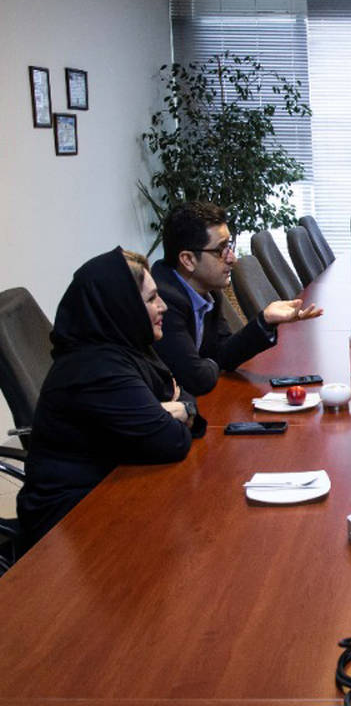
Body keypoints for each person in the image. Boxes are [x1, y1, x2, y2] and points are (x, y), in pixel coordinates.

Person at [17, 248, 205, 548]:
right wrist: (179, 410)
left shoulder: (128, 347)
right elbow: (172, 441)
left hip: (114, 487)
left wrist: (176, 409)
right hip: (68, 523)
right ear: (123, 307)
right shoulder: (97, 368)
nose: (163, 306)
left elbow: (187, 395)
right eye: (151, 299)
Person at [151, 202, 322, 396]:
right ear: (188, 260)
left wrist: (265, 320)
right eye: (220, 250)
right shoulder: (162, 301)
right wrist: (210, 363)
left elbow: (224, 354)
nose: (232, 258)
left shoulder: (206, 289)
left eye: (229, 246)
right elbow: (196, 379)